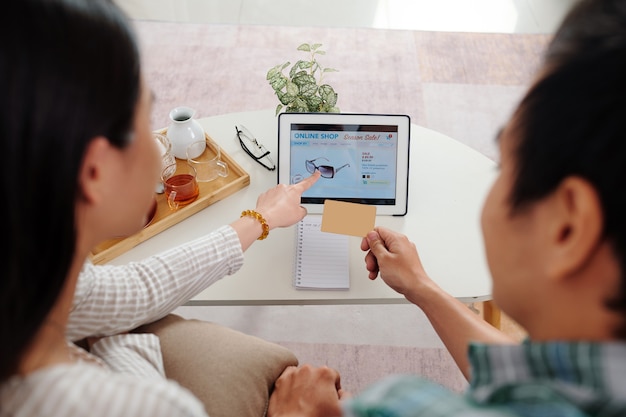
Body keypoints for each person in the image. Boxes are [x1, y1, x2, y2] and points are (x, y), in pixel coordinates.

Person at [267, 0, 626, 415]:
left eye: (504, 165)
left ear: (567, 227)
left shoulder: (395, 405)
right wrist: (421, 286)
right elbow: (529, 376)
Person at [0, 0, 320, 415]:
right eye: (147, 123)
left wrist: (258, 220)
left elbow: (132, 291)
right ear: (95, 171)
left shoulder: (37, 274)